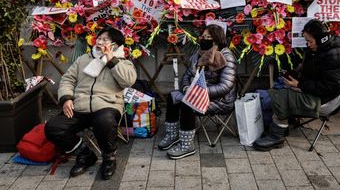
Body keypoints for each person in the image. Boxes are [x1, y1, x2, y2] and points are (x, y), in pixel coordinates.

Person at [45, 27, 137, 179]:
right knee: (53, 127)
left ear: (115, 45)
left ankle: (109, 159)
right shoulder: (83, 59)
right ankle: (85, 154)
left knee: (105, 121)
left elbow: (128, 80)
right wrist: (67, 98)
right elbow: (68, 79)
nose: (100, 42)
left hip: (107, 106)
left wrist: (111, 60)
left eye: (105, 40)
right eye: (99, 38)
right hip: (79, 106)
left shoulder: (123, 62)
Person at [253, 19, 340, 151]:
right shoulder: (321, 50)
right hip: (313, 91)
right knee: (274, 90)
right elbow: (315, 73)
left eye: (310, 41)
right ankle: (277, 127)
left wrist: (300, 85)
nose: (308, 45)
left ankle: (276, 137)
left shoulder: (335, 56)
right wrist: (296, 75)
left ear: (321, 39)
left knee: (277, 97)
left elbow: (329, 87)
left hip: (323, 99)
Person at [158, 24, 237, 159]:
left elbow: (225, 86)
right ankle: (173, 134)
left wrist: (198, 93)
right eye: (203, 36)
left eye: (208, 37)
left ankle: (187, 145)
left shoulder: (226, 57)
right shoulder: (198, 55)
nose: (204, 39)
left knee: (188, 103)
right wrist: (186, 88)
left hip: (220, 99)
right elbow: (187, 76)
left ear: (217, 40)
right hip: (196, 92)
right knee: (172, 96)